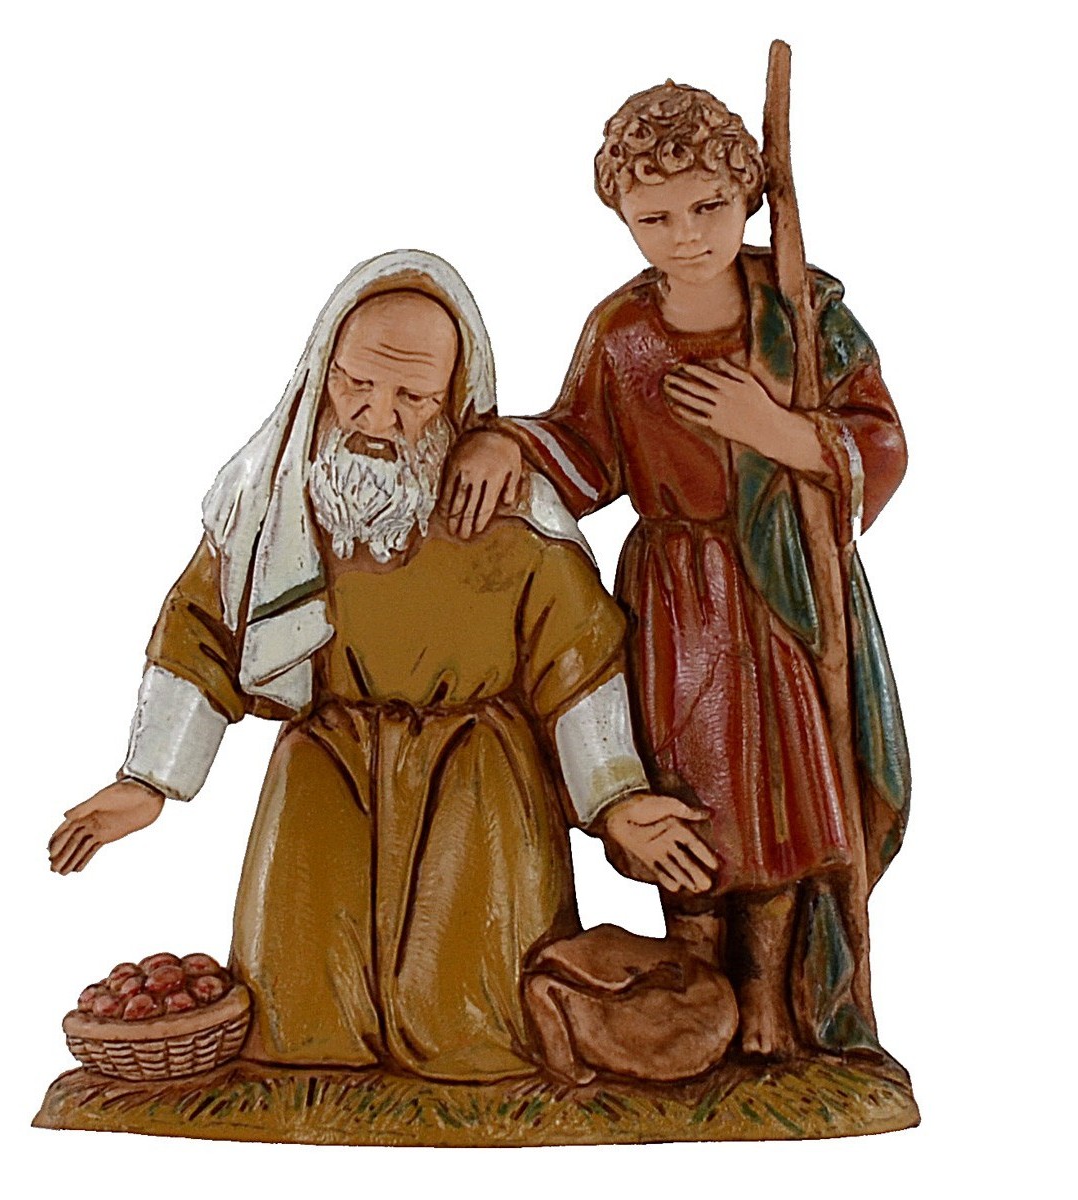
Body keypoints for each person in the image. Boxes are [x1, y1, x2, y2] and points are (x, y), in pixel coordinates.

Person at [48, 250, 719, 1082]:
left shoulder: (513, 509)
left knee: (468, 1019)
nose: (377, 415)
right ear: (322, 368)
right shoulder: (272, 505)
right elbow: (200, 631)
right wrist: (149, 780)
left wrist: (616, 797)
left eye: (412, 396)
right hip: (324, 770)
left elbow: (576, 660)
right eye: (357, 384)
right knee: (301, 1016)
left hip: (476, 778)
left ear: (455, 396)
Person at [444, 85, 911, 1057]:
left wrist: (777, 430)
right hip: (676, 604)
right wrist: (507, 443)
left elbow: (879, 439)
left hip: (783, 593)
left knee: (781, 796)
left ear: (750, 193)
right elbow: (586, 448)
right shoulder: (624, 331)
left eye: (709, 206)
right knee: (692, 791)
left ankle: (774, 1007)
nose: (687, 235)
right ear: (620, 214)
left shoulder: (801, 312)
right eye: (655, 218)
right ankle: (699, 992)